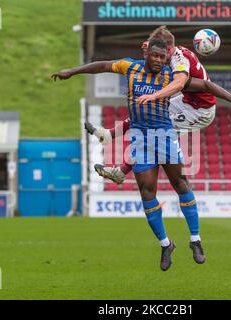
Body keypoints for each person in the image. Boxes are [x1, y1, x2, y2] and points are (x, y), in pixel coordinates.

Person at [52, 38, 206, 271]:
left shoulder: (171, 75)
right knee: (146, 192)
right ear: (146, 55)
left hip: (164, 135)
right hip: (141, 139)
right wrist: (73, 71)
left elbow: (204, 86)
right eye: (154, 55)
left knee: (181, 184)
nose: (157, 60)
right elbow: (102, 65)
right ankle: (166, 245)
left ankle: (195, 240)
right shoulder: (129, 67)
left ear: (166, 58)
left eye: (162, 57)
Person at [78, 26, 231, 184]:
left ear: (168, 49)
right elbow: (152, 50)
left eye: (161, 51)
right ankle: (108, 135)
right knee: (145, 112)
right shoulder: (169, 51)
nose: (156, 54)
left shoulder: (180, 61)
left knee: (154, 132)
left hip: (199, 112)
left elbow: (180, 85)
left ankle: (120, 172)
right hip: (186, 101)